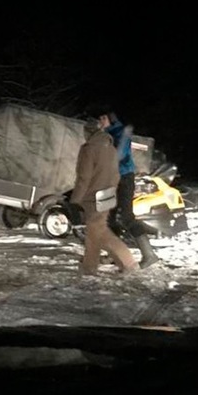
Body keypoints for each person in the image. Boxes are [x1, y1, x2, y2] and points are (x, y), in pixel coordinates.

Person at [69, 119, 140, 276]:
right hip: (108, 194)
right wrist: (111, 189)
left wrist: (75, 200)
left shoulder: (89, 149)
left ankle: (129, 263)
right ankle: (90, 267)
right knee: (95, 231)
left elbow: (84, 177)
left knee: (99, 231)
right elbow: (116, 174)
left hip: (92, 196)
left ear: (88, 131)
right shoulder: (111, 149)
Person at [98, 107, 161, 269]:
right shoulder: (110, 134)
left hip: (124, 178)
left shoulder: (120, 133)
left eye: (103, 118)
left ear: (110, 119)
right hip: (115, 179)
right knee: (110, 217)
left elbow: (119, 155)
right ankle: (114, 254)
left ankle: (149, 255)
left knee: (126, 217)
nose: (100, 122)